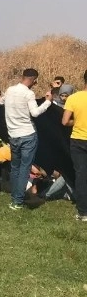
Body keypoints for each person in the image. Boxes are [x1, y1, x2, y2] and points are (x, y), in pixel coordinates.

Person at [3, 68, 53, 209]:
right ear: (33, 80)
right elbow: (35, 113)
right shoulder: (29, 93)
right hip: (27, 134)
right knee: (25, 168)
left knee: (15, 167)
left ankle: (15, 195)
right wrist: (48, 101)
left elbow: (1, 102)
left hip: (13, 134)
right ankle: (17, 200)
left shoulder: (9, 90)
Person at [61, 68, 87, 221]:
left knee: (81, 175)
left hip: (78, 140)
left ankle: (83, 212)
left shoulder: (73, 98)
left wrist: (76, 121)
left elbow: (65, 121)